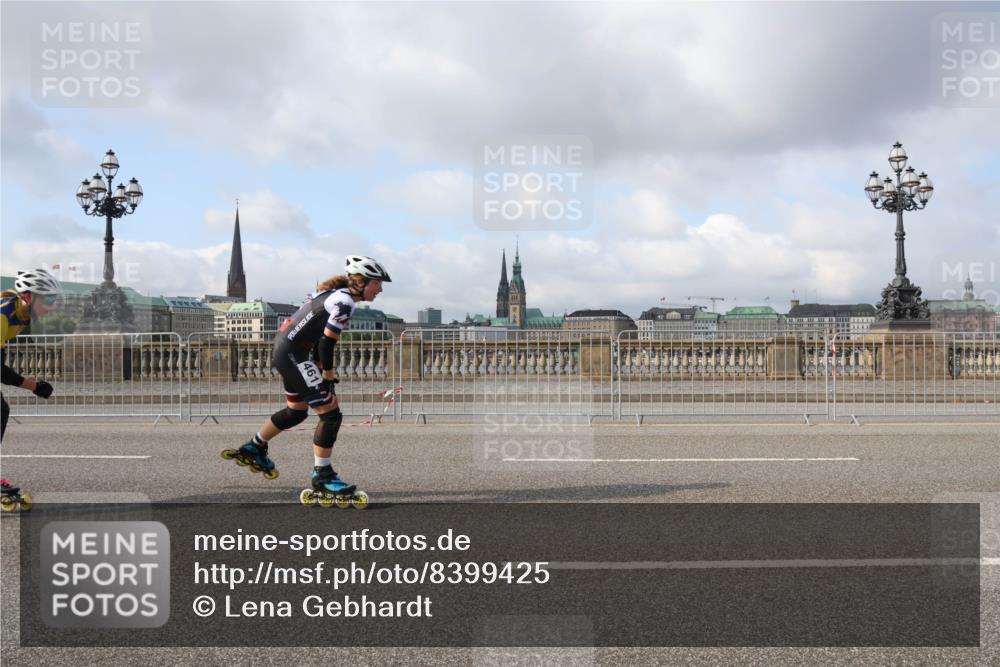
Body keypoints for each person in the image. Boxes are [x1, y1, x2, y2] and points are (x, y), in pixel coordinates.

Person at [222, 255, 390, 509]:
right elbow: (327, 343)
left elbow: (316, 336)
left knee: (297, 411)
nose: (380, 289)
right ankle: (323, 475)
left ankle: (254, 446)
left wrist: (320, 369)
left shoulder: (332, 294)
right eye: (377, 283)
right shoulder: (345, 302)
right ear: (360, 282)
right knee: (330, 414)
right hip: (293, 354)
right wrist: (328, 378)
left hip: (287, 351)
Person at [1, 269, 61, 511]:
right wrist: (34, 386)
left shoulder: (23, 314)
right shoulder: (3, 314)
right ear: (28, 296)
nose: (52, 305)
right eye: (47, 299)